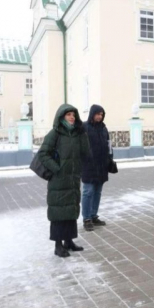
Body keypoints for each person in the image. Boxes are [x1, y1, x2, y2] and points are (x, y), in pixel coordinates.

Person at [38, 104, 91, 258]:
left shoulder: (78, 133)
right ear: (61, 117)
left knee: (71, 210)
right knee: (58, 212)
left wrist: (83, 134)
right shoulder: (55, 133)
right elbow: (43, 154)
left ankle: (69, 241)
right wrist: (56, 168)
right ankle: (57, 245)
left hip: (73, 179)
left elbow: (86, 153)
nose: (72, 117)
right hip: (59, 181)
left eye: (73, 114)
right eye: (68, 114)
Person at [81, 104, 111, 231]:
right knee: (88, 192)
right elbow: (80, 146)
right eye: (98, 114)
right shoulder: (84, 127)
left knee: (97, 192)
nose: (100, 116)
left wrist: (110, 158)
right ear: (92, 114)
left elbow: (109, 145)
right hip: (88, 166)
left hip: (102, 165)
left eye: (101, 114)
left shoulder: (104, 128)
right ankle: (86, 218)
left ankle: (93, 216)